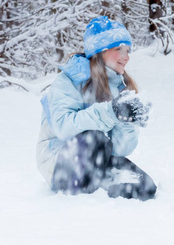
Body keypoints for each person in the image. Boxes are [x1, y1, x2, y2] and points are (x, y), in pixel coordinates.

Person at [36, 16, 157, 201]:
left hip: (97, 159)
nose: (126, 57)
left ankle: (96, 187)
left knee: (146, 187)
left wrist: (126, 121)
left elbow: (119, 150)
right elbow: (63, 127)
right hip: (59, 163)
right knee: (95, 138)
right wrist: (111, 112)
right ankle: (86, 193)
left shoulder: (118, 87)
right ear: (99, 51)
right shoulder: (69, 80)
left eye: (128, 50)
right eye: (119, 49)